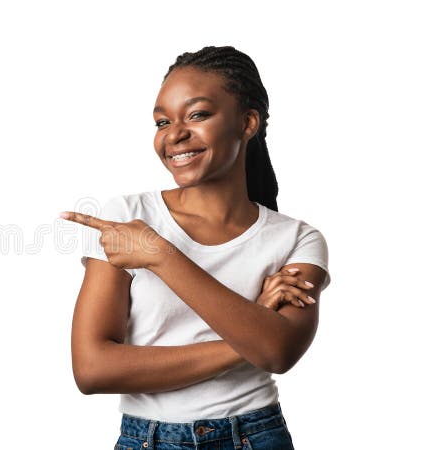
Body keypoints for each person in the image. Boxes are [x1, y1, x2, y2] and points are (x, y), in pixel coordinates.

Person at [59, 45, 330, 450]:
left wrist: (161, 256)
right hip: (148, 439)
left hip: (255, 437)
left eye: (198, 114)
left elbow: (279, 353)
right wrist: (254, 328)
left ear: (248, 122)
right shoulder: (131, 216)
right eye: (162, 121)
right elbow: (93, 369)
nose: (174, 134)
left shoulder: (297, 239)